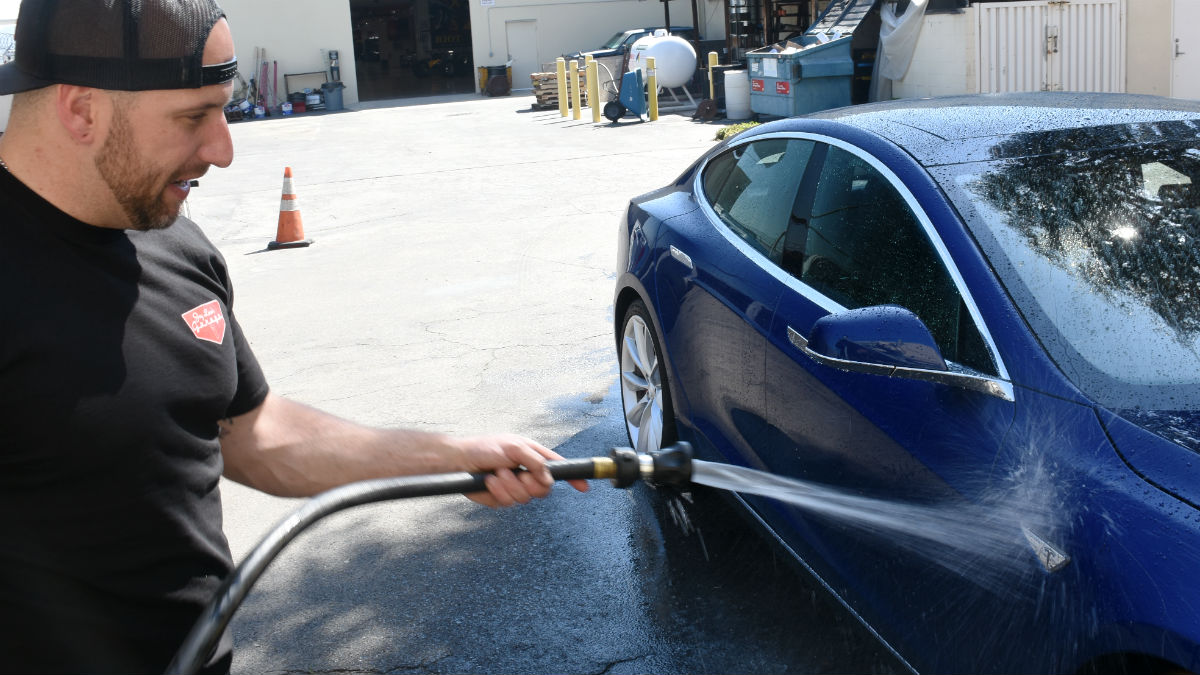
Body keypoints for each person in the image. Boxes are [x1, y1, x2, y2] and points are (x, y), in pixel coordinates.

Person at [0, 1, 587, 673]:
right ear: (81, 110)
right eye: (193, 117)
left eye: (225, 110)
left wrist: (450, 456)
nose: (223, 150)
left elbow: (255, 435)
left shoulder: (177, 248)